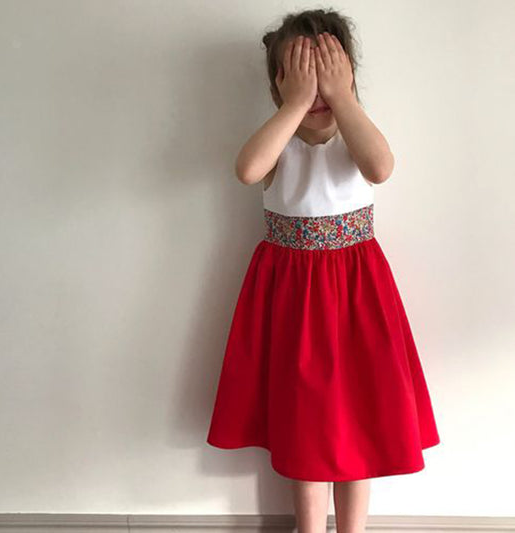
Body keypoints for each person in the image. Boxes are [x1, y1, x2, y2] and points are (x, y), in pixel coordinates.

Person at [206, 8, 440, 533]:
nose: (316, 91)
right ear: (278, 83)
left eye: (327, 72)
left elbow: (380, 167)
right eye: (300, 74)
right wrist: (294, 104)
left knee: (361, 419)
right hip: (293, 298)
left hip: (358, 297)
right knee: (304, 424)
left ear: (347, 72)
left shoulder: (355, 139)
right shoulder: (279, 142)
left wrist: (342, 97)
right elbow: (247, 170)